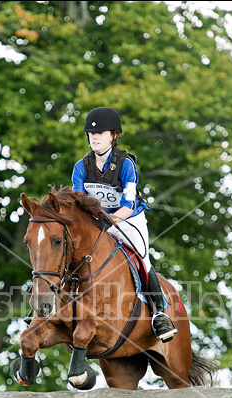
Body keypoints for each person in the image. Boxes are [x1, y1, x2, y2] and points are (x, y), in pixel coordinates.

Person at [72, 106, 177, 342]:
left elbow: (128, 203)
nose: (95, 137)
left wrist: (109, 221)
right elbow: (78, 204)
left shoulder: (126, 164)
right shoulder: (81, 167)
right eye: (91, 134)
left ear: (114, 136)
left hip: (128, 219)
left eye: (101, 133)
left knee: (142, 256)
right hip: (96, 221)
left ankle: (160, 313)